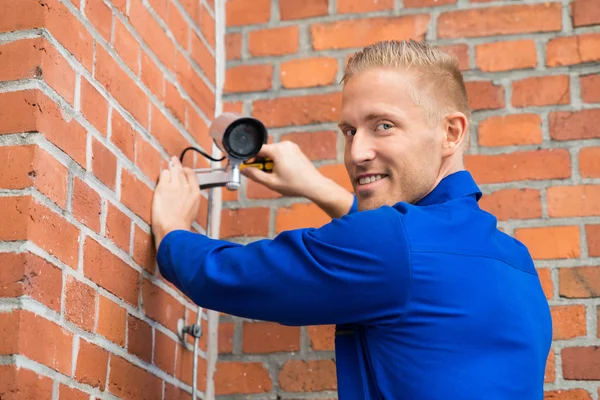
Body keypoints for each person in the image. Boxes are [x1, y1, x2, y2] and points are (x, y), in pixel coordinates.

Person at [151, 39, 552, 399]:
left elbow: (226, 275)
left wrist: (173, 230)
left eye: (384, 126)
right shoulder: (517, 260)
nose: (357, 152)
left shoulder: (392, 247)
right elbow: (407, 255)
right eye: (348, 130)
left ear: (451, 132)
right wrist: (317, 187)